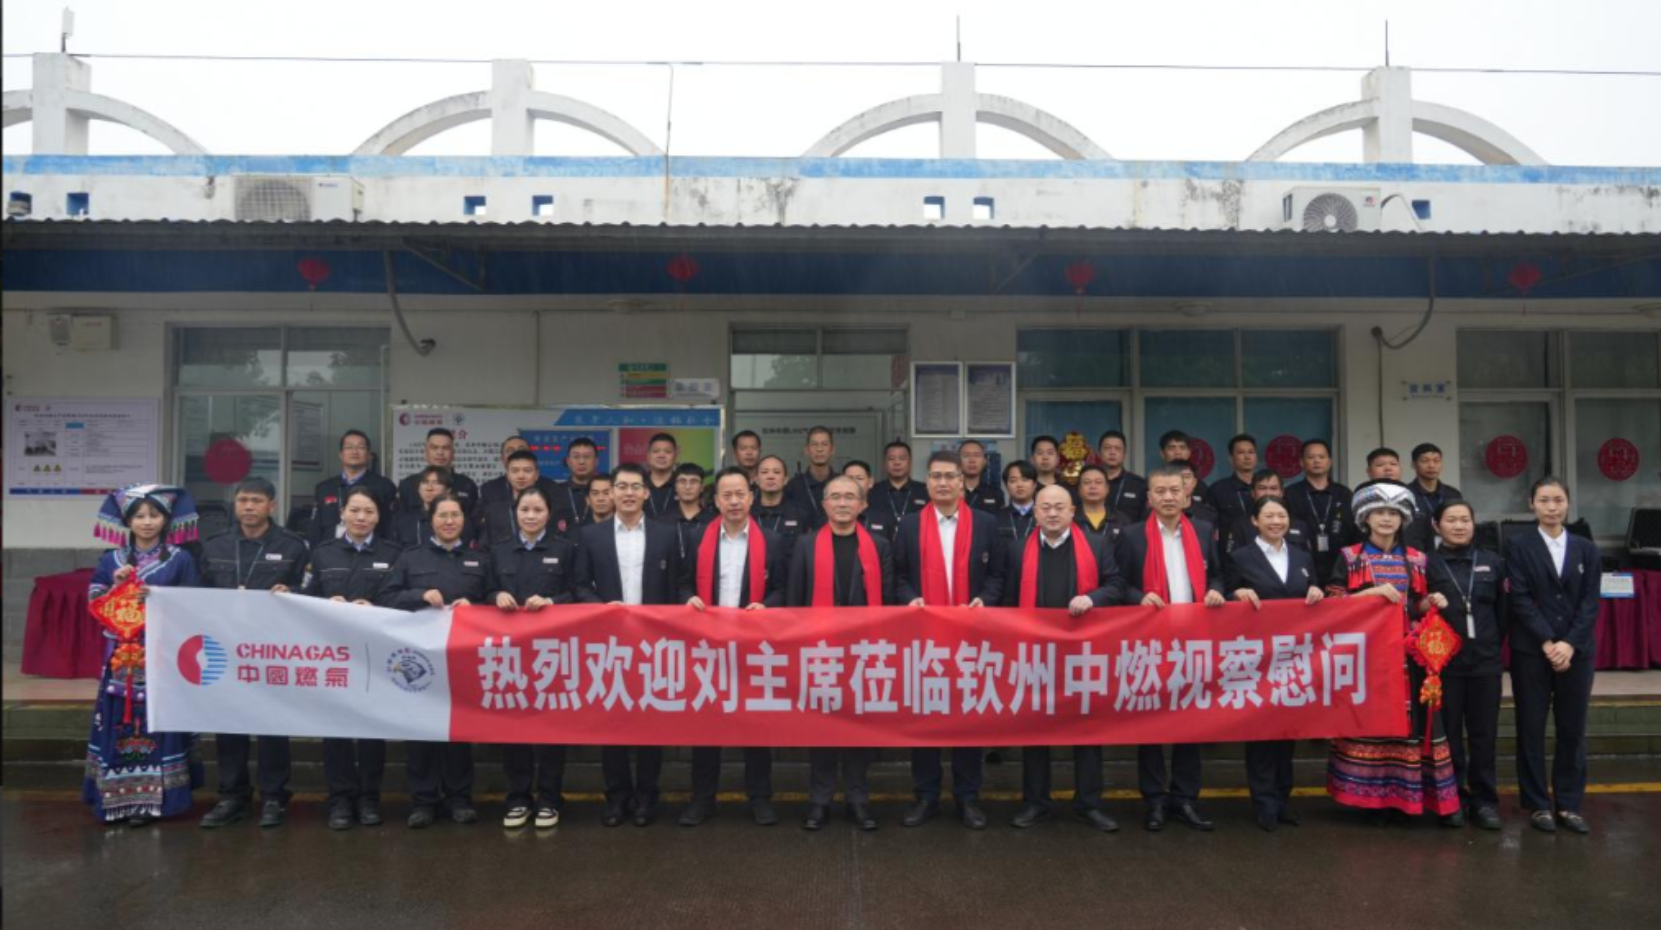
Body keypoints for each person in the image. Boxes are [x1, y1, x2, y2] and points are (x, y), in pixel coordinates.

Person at [1325, 481, 1462, 826]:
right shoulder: (1349, 557)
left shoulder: (1417, 559)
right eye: (1379, 513)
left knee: (1411, 726)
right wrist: (1371, 595)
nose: (1386, 519)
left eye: (1392, 513)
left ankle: (1408, 799)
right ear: (1365, 519)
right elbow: (1332, 604)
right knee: (1371, 725)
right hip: (1367, 657)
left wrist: (1431, 602)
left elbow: (1417, 604)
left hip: (1409, 657)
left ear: (1403, 519)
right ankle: (1371, 801)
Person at [572, 463, 694, 828]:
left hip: (653, 643)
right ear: (610, 493)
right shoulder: (590, 536)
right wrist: (600, 608)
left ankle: (646, 797)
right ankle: (617, 797)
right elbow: (580, 585)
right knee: (612, 724)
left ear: (646, 493)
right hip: (609, 644)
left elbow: (680, 582)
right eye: (621, 487)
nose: (628, 493)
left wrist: (687, 603)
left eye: (634, 487)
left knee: (650, 724)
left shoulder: (666, 534)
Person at [891, 451, 1004, 831]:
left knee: (968, 720)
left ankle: (967, 797)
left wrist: (984, 600)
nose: (942, 483)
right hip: (924, 639)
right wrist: (910, 600)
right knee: (925, 719)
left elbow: (998, 574)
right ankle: (926, 796)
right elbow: (899, 575)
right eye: (936, 476)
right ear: (927, 482)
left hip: (972, 638)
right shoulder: (909, 525)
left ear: (961, 483)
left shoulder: (986, 523)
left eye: (949, 476)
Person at [1004, 483, 1126, 833]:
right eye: (1046, 507)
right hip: (1034, 653)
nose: (1053, 513)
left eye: (1060, 507)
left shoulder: (1098, 544)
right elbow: (1007, 598)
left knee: (1086, 731)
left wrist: (1093, 598)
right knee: (1035, 732)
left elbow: (1117, 585)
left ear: (1073, 512)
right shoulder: (1017, 549)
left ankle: (1089, 804)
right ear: (1035, 512)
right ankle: (1036, 803)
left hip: (1083, 653)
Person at [1114, 463, 1227, 832]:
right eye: (1160, 491)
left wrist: (1216, 591)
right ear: (1148, 498)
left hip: (1193, 644)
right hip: (1149, 644)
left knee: (1189, 726)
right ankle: (1154, 801)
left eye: (1174, 491)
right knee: (1151, 727)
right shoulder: (1132, 536)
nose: (1167, 497)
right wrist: (1138, 596)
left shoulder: (1204, 531)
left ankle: (1185, 798)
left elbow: (1218, 574)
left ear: (1187, 495)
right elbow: (1117, 583)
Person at [84, 484, 203, 826]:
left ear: (166, 520)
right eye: (139, 516)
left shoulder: (180, 559)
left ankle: (157, 802)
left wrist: (159, 595)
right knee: (119, 722)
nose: (147, 522)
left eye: (154, 515)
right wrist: (115, 586)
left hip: (163, 655)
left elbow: (194, 601)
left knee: (158, 722)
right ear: (128, 521)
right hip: (121, 658)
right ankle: (116, 799)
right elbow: (94, 600)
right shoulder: (111, 560)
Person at [197, 477, 309, 830]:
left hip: (272, 649)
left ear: (271, 506)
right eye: (243, 500)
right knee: (229, 724)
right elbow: (195, 595)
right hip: (224, 650)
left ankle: (274, 796)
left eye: (256, 500)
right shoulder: (214, 545)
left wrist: (292, 591)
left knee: (271, 725)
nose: (248, 506)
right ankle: (233, 796)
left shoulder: (293, 546)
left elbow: (309, 590)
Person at [682, 468, 790, 827]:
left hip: (754, 647)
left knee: (756, 725)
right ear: (715, 501)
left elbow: (783, 588)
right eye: (726, 495)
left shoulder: (773, 541)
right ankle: (703, 798)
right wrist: (689, 597)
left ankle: (759, 797)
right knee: (705, 726)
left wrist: (767, 606)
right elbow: (682, 583)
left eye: (740, 494)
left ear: (751, 498)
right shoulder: (697, 538)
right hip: (707, 647)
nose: (733, 501)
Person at [787, 475, 893, 832]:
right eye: (836, 497)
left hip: (864, 653)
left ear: (863, 504)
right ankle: (819, 800)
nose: (843, 503)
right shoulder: (805, 545)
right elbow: (795, 600)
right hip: (819, 651)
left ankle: (857, 799)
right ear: (824, 504)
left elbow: (888, 602)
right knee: (821, 730)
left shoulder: (879, 546)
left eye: (850, 497)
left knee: (858, 730)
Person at [378, 493, 489, 829]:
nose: (449, 521)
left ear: (465, 520)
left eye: (456, 515)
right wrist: (420, 595)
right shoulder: (410, 557)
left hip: (462, 658)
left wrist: (475, 607)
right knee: (421, 731)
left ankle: (459, 799)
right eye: (443, 515)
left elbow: (495, 598)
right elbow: (386, 596)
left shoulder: (480, 559)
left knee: (459, 731)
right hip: (419, 662)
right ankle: (423, 801)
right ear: (431, 519)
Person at [301, 484, 403, 830]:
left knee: (372, 730)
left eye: (369, 511)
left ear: (378, 516)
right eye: (354, 510)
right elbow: (307, 596)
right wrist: (322, 603)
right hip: (334, 654)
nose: (361, 517)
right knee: (336, 730)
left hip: (376, 654)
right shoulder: (323, 553)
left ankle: (370, 798)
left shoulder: (394, 553)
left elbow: (402, 596)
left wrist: (376, 606)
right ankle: (341, 799)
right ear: (342, 513)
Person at [1504, 477, 1601, 835]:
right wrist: (1547, 641)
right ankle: (1537, 804)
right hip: (1532, 651)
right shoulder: (1517, 545)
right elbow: (1520, 599)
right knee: (1530, 727)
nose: (1551, 507)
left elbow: (1590, 602)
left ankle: (1569, 804)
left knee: (1572, 729)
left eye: (1558, 500)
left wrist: (1569, 644)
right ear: (1531, 504)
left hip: (1577, 652)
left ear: (1568, 504)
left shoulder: (1586, 548)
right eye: (1544, 500)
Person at [1224, 495, 1324, 832]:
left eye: (1281, 515)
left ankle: (1283, 800)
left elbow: (1311, 590)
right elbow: (1225, 594)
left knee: (1287, 731)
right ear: (1255, 521)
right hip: (1257, 658)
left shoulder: (1302, 556)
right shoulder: (1240, 557)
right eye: (1268, 516)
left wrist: (1316, 591)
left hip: (1294, 657)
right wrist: (1236, 594)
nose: (1276, 521)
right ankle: (1264, 803)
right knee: (1261, 732)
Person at [487, 485, 579, 831]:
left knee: (552, 728)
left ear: (549, 514)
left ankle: (550, 799)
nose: (530, 516)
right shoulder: (498, 551)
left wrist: (555, 601)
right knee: (514, 727)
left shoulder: (565, 549)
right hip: (509, 652)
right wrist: (496, 595)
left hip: (551, 652)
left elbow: (578, 590)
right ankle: (518, 798)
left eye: (537, 510)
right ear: (515, 513)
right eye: (524, 509)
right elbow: (484, 588)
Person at [1424, 500, 1508, 831]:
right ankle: (1452, 799)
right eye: (1451, 520)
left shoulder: (1492, 562)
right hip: (1444, 666)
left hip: (1485, 663)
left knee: (1484, 735)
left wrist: (1489, 645)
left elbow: (1504, 613)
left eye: (1465, 520)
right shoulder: (1427, 564)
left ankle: (1485, 802)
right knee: (1449, 738)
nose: (1459, 526)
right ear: (1436, 525)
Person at [1284, 438, 1356, 586]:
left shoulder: (1344, 493)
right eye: (1311, 457)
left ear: (1329, 462)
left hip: (1340, 565)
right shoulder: (1290, 493)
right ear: (1302, 462)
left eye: (1321, 457)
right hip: (1301, 564)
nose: (1316, 461)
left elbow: (1354, 531)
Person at [309, 430, 397, 547]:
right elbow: (315, 529)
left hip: (371, 551)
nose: (354, 451)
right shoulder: (324, 488)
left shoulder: (384, 486)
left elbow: (389, 527)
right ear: (341, 454)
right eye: (349, 447)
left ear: (369, 454)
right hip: (330, 552)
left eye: (360, 447)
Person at [1218, 469, 1316, 564]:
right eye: (1262, 488)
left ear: (1282, 493)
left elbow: (1307, 563)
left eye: (1273, 488)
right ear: (1253, 493)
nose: (1268, 493)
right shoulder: (1240, 525)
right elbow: (1232, 563)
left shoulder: (1299, 526)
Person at [477, 451, 568, 548]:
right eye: (515, 471)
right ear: (507, 475)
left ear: (536, 475)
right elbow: (485, 546)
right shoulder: (494, 510)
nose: (521, 476)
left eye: (527, 471)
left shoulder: (552, 509)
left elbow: (560, 544)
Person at [392, 465, 481, 549]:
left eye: (436, 483)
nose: (429, 488)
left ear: (448, 490)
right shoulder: (404, 522)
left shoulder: (460, 522)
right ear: (418, 489)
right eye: (425, 482)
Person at [397, 427, 480, 514]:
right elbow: (399, 519)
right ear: (425, 452)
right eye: (434, 447)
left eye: (445, 448)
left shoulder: (467, 485)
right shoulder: (408, 485)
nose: (440, 452)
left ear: (453, 453)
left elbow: (474, 519)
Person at [1365, 448, 1434, 552]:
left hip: (1414, 558)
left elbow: (1428, 537)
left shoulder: (1414, 496)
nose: (1388, 468)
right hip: (1368, 557)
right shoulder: (1361, 499)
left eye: (1393, 464)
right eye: (1380, 465)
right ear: (1369, 471)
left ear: (1401, 469)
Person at [479, 435, 560, 517]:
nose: (516, 453)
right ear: (502, 458)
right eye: (510, 451)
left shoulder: (551, 488)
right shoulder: (489, 489)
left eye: (521, 450)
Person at [869, 440, 930, 543]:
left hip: (917, 544)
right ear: (884, 464)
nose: (897, 463)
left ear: (910, 463)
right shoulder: (873, 491)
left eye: (902, 458)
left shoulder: (925, 490)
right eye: (891, 459)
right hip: (881, 545)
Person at [656, 462, 716, 560]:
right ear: (675, 487)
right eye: (682, 481)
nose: (688, 487)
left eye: (694, 481)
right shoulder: (661, 522)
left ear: (701, 488)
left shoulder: (713, 522)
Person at [751, 454, 815, 544]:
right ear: (756, 479)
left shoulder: (800, 513)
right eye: (764, 472)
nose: (770, 476)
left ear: (785, 480)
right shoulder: (747, 513)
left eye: (776, 472)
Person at [784, 425, 839, 523]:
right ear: (807, 450)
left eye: (824, 444)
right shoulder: (793, 485)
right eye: (814, 444)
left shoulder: (842, 483)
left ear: (832, 449)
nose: (819, 449)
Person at [1205, 433, 1259, 528]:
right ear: (1231, 458)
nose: (1247, 457)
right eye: (1241, 453)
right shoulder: (1218, 489)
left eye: (1251, 452)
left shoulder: (1266, 487)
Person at [1074, 464, 1131, 548]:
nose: (1093, 486)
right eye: (1087, 482)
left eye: (1098, 482)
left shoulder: (1122, 520)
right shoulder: (1070, 519)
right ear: (1079, 489)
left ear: (1107, 488)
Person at [1097, 430, 1147, 523]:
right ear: (1099, 453)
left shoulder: (1139, 485)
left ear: (1124, 454)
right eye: (1107, 448)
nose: (1112, 452)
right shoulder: (1089, 483)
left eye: (1117, 448)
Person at [995, 460, 1041, 561]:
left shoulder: (1044, 516)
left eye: (1025, 480)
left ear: (1034, 484)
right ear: (1006, 485)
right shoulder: (996, 518)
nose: (1019, 485)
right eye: (1013, 481)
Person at [1409, 443, 1464, 521]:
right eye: (1425, 461)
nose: (1431, 465)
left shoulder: (1453, 494)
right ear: (1413, 464)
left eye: (1436, 461)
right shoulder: (1406, 494)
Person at [1159, 431, 1210, 507]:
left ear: (1189, 453)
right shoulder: (1151, 483)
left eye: (1182, 448)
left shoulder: (1199, 486)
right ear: (1162, 454)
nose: (1178, 452)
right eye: (1171, 448)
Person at [558, 437, 602, 524]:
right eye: (576, 456)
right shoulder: (555, 492)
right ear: (568, 461)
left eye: (587, 456)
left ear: (596, 461)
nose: (581, 461)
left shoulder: (607, 492)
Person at [959, 439, 1005, 514]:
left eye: (977, 455)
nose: (972, 460)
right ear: (958, 461)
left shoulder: (996, 493)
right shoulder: (951, 491)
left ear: (984, 461)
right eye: (966, 455)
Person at [1029, 435, 1077, 503]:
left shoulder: (1068, 489)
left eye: (1050, 453)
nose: (1045, 457)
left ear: (1058, 459)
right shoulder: (1027, 489)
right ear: (1032, 459)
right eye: (1040, 453)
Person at [643, 433, 681, 518]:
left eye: (668, 452)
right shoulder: (639, 484)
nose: (661, 456)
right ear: (648, 455)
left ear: (676, 454)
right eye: (656, 451)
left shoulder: (683, 484)